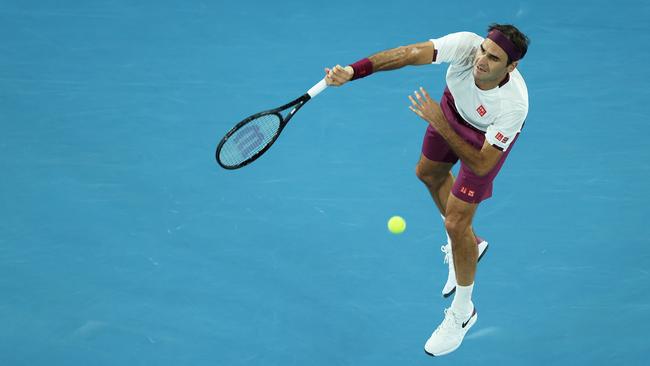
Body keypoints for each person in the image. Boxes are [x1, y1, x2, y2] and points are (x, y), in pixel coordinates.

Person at [324, 24, 530, 356]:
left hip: (482, 145)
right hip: (450, 113)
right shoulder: (466, 46)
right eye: (483, 50)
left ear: (511, 66)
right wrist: (353, 71)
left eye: (494, 58)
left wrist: (440, 122)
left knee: (455, 223)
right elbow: (410, 53)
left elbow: (479, 165)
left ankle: (463, 313)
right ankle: (470, 246)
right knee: (428, 174)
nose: (481, 60)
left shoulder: (513, 106)